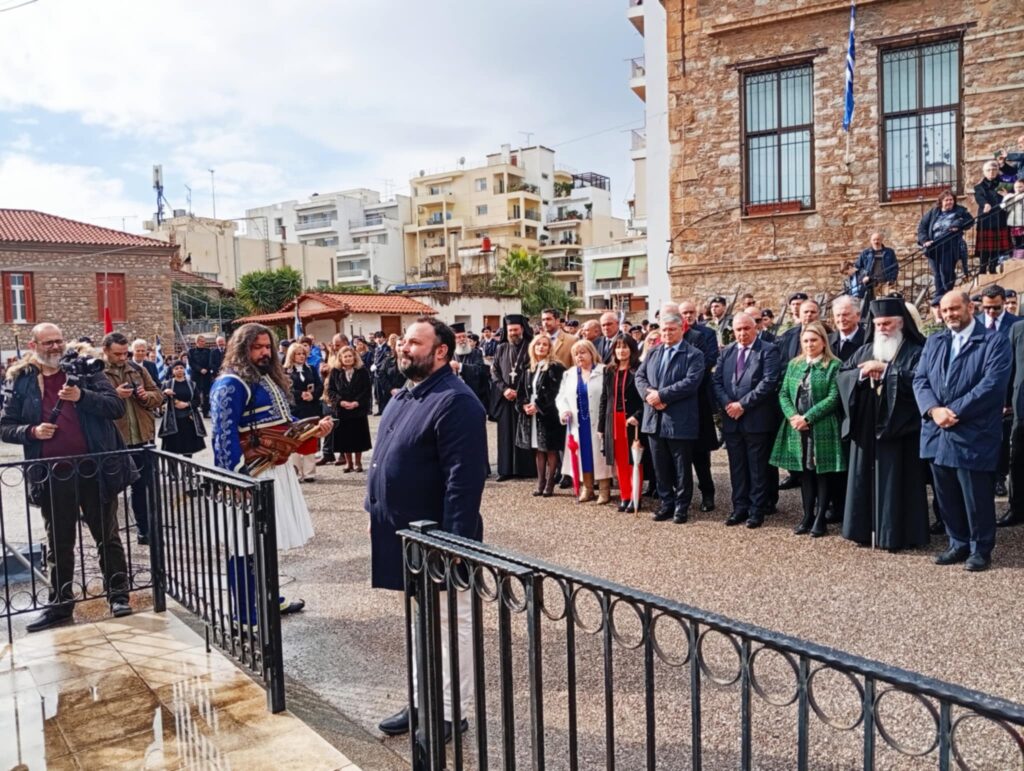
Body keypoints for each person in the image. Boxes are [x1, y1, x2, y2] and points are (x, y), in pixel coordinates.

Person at [371, 317, 486, 744]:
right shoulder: (407, 393)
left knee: (451, 626)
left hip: (440, 540)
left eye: (414, 343)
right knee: (422, 624)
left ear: (441, 352)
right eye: (403, 341)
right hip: (406, 536)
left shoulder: (457, 402)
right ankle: (422, 701)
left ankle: (451, 713)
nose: (404, 348)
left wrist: (452, 545)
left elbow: (464, 482)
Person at [1, 324, 134, 631]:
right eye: (48, 342)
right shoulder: (21, 379)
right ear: (34, 345)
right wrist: (31, 431)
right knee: (59, 542)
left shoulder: (85, 369)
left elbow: (115, 407)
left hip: (94, 468)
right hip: (53, 473)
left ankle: (119, 595)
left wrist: (81, 396)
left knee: (107, 536)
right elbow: (5, 426)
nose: (55, 347)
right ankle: (60, 605)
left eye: (59, 341)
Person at [210, 323, 333, 619]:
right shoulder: (231, 383)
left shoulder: (267, 377)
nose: (264, 352)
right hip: (250, 473)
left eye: (267, 347)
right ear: (242, 349)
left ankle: (268, 599)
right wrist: (235, 479)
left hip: (275, 468)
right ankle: (244, 615)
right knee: (244, 544)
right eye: (257, 347)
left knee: (265, 541)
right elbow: (223, 436)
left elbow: (282, 422)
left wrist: (312, 429)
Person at [913, 291, 1011, 571]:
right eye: (945, 311)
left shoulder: (994, 341)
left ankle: (981, 549)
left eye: (955, 309)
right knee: (946, 495)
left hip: (973, 432)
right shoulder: (935, 341)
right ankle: (958, 542)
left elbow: (992, 386)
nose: (949, 315)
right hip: (937, 431)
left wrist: (952, 411)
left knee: (975, 496)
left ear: (970, 307)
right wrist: (933, 410)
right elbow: (920, 380)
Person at [838, 299, 930, 551]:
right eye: (878, 324)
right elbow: (842, 375)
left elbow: (921, 380)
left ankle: (898, 535)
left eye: (887, 324)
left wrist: (887, 370)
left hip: (900, 430)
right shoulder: (865, 350)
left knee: (899, 482)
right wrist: (860, 374)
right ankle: (862, 530)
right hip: (866, 427)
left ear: (901, 323)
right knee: (862, 479)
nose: (882, 329)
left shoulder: (916, 351)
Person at [771, 321, 845, 537]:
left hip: (822, 426)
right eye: (805, 341)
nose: (809, 344)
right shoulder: (795, 364)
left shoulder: (834, 365)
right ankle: (807, 516)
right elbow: (784, 393)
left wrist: (808, 417)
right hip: (797, 427)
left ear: (823, 342)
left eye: (814, 340)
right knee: (805, 473)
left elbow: (834, 397)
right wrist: (793, 416)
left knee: (821, 472)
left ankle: (820, 518)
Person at [712, 313, 782, 529]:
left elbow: (769, 381)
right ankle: (739, 507)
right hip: (731, 420)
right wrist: (728, 404)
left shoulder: (768, 350)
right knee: (737, 466)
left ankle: (756, 509)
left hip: (756, 419)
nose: (742, 333)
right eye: (738, 329)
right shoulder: (727, 352)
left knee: (757, 467)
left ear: (755, 328)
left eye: (746, 328)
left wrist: (742, 405)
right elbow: (716, 381)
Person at [635, 312, 705, 523]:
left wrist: (662, 396)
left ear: (681, 329)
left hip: (678, 419)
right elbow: (639, 376)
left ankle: (681, 507)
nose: (667, 333)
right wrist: (650, 396)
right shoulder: (653, 352)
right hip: (654, 418)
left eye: (672, 329)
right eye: (664, 329)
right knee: (660, 466)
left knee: (681, 467)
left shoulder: (693, 354)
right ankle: (666, 503)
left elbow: (691, 382)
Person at [103, 331, 164, 546]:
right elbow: (92, 403)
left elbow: (158, 395)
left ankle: (145, 530)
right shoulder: (98, 372)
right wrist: (115, 395)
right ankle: (108, 536)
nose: (122, 358)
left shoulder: (138, 369)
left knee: (143, 487)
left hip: (142, 438)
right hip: (114, 441)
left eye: (125, 353)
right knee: (109, 490)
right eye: (117, 354)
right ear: (106, 351)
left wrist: (146, 397)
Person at [555, 339, 612, 503]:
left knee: (600, 456)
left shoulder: (604, 371)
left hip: (598, 421)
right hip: (578, 423)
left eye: (582, 352)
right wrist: (564, 411)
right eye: (576, 354)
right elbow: (561, 397)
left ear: (591, 353)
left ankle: (604, 489)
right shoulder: (569, 374)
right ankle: (587, 488)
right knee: (583, 455)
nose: (579, 356)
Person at [978, 285, 1018, 497]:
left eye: (996, 308)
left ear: (1004, 302)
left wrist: (1009, 400)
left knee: (1002, 438)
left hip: (1007, 392)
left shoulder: (1017, 324)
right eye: (987, 308)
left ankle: (999, 477)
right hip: (978, 391)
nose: (991, 312)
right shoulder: (974, 323)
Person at [680, 300, 721, 512]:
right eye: (684, 312)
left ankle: (707, 493)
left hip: (699, 398)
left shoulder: (705, 334)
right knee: (681, 454)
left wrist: (686, 376)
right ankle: (683, 495)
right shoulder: (672, 334)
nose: (688, 315)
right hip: (678, 402)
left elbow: (710, 359)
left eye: (690, 312)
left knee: (701, 453)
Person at [516, 333, 566, 497]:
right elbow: (521, 390)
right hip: (531, 413)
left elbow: (555, 391)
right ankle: (540, 481)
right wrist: (524, 405)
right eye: (538, 344)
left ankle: (550, 483)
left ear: (550, 348)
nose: (541, 347)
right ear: (533, 347)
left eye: (545, 344)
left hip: (548, 413)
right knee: (538, 449)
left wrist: (538, 406)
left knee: (550, 449)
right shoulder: (529, 367)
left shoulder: (556, 367)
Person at [598, 334, 644, 512]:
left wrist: (638, 415)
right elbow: (604, 398)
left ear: (632, 350)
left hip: (631, 420)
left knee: (634, 460)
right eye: (618, 347)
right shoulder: (609, 370)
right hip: (613, 419)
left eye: (625, 347)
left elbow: (644, 398)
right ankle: (625, 495)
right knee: (620, 461)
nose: (621, 350)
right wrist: (601, 426)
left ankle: (635, 496)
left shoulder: (639, 369)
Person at [490, 314, 536, 481]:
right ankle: (505, 470)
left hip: (524, 397)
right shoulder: (501, 348)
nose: (513, 333)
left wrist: (519, 392)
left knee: (524, 432)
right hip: (505, 398)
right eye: (510, 330)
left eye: (515, 330)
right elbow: (494, 372)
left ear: (522, 329)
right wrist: (504, 390)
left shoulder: (530, 346)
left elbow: (534, 371)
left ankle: (526, 469)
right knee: (505, 434)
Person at [917, 189, 974, 300]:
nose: (949, 202)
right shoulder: (934, 212)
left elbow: (970, 221)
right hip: (934, 246)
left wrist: (958, 223)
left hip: (950, 245)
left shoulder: (960, 210)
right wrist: (925, 240)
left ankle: (947, 293)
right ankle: (939, 296)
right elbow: (922, 227)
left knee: (947, 272)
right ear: (941, 201)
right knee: (937, 273)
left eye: (951, 200)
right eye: (946, 200)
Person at [326, 346, 373, 473]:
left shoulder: (362, 371)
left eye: (350, 356)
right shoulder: (335, 372)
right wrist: (340, 402)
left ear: (354, 357)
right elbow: (331, 390)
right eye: (345, 356)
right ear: (340, 358)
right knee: (345, 438)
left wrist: (357, 402)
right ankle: (348, 463)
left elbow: (367, 389)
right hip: (342, 410)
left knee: (358, 437)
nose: (348, 359)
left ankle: (358, 462)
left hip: (358, 410)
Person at [283, 342, 324, 482]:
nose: (301, 356)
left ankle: (309, 473)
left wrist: (313, 395)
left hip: (310, 408)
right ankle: (296, 472)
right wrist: (300, 394)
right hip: (294, 410)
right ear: (291, 355)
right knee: (295, 441)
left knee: (310, 440)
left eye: (303, 354)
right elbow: (284, 389)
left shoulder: (311, 369)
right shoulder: (285, 371)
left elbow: (320, 386)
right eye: (298, 354)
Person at [158, 361, 206, 457]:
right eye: (176, 368)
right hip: (172, 421)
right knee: (172, 450)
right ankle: (172, 467)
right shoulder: (167, 384)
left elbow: (198, 401)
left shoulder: (192, 384)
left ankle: (187, 466)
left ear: (184, 369)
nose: (179, 370)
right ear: (172, 371)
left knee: (188, 448)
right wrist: (164, 393)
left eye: (181, 368)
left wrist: (187, 404)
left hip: (189, 419)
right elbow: (160, 401)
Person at [974, 160, 1012, 274]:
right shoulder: (979, 187)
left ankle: (993, 267)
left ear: (997, 171)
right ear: (984, 172)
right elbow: (979, 197)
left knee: (997, 247)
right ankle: (982, 269)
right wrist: (985, 204)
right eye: (989, 170)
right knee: (984, 249)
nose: (991, 172)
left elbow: (1013, 196)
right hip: (986, 219)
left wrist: (1007, 196)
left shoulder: (1004, 184)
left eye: (994, 170)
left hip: (1001, 218)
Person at [449, 323, 489, 406]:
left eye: (464, 336)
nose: (462, 339)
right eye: (458, 337)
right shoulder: (449, 355)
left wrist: (460, 366)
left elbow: (481, 369)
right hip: (456, 397)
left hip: (474, 395)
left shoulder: (476, 353)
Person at [853, 233, 899, 302]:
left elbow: (895, 267)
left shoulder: (889, 252)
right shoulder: (865, 253)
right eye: (874, 240)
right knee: (871, 303)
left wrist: (892, 279)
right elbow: (858, 267)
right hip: (871, 284)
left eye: (878, 239)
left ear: (881, 240)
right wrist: (864, 277)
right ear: (871, 241)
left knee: (890, 299)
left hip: (885, 283)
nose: (876, 241)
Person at [187, 335, 215, 417]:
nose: (203, 343)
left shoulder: (209, 351)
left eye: (204, 341)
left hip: (206, 375)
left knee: (206, 394)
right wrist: (200, 369)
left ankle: (206, 411)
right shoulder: (191, 351)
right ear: (197, 342)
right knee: (195, 393)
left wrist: (206, 369)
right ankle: (194, 411)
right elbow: (191, 363)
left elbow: (210, 362)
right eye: (201, 341)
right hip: (196, 375)